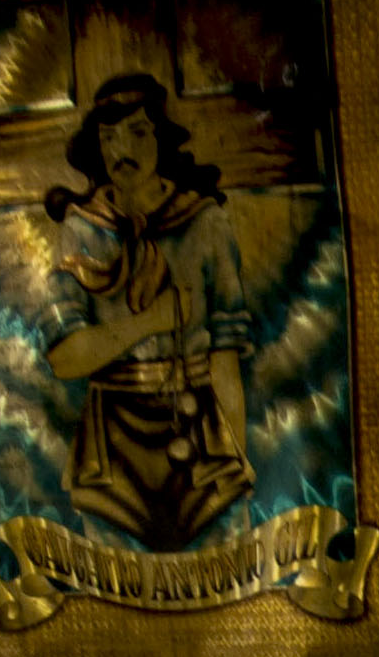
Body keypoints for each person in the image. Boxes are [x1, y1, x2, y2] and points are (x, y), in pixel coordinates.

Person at [37, 72, 258, 548]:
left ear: (162, 137)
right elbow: (64, 358)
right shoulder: (83, 231)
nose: (122, 150)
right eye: (109, 137)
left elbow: (225, 354)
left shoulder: (205, 223)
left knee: (217, 566)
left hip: (199, 430)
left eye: (138, 132)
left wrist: (235, 452)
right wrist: (149, 323)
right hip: (112, 441)